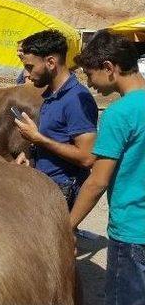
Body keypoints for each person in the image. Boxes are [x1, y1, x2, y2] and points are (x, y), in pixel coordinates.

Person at [69, 30, 145, 305]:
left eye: (90, 75)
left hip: (132, 232)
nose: (89, 85)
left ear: (109, 68)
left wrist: (68, 226)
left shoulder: (119, 113)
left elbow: (97, 182)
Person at [14, 29, 97, 210]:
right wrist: (30, 155)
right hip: (47, 184)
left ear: (51, 62)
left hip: (63, 189)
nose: (27, 74)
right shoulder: (52, 93)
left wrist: (38, 138)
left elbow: (87, 157)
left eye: (30, 67)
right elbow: (56, 137)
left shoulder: (76, 99)